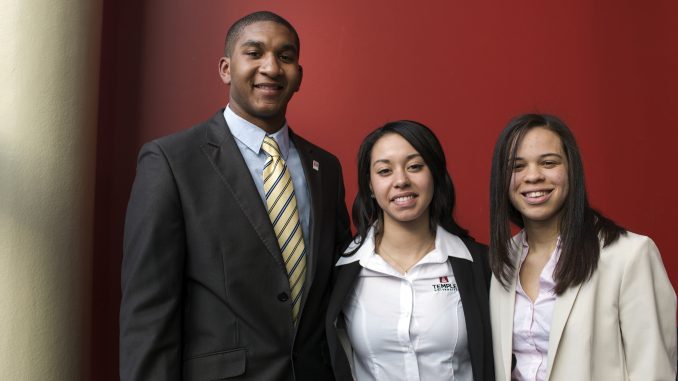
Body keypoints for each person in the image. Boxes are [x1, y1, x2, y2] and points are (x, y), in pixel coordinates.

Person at [120, 11, 351, 381]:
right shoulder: (170, 161)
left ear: (299, 77)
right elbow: (148, 310)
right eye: (255, 53)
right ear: (226, 68)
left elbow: (338, 289)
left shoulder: (326, 167)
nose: (271, 68)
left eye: (286, 57)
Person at [488, 113, 677, 381]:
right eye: (517, 166)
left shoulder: (629, 255)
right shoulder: (501, 260)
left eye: (548, 162)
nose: (532, 176)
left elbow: (653, 370)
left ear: (571, 170)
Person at [325, 120, 495, 381]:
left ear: (435, 175)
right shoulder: (341, 270)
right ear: (370, 185)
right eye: (384, 171)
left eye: (415, 167)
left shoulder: (481, 265)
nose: (401, 180)